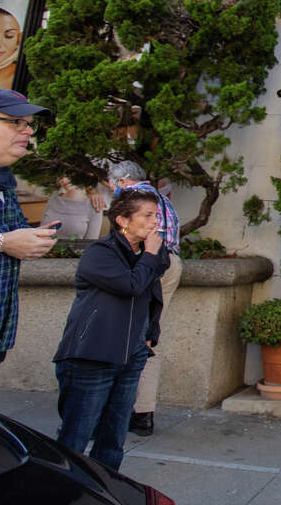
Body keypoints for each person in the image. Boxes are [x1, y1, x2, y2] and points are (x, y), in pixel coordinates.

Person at [53, 188, 168, 471]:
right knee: (75, 438)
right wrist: (150, 254)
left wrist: (150, 335)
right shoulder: (99, 253)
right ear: (122, 220)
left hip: (130, 357)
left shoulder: (147, 255)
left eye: (157, 215)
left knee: (113, 440)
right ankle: (62, 490)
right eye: (148, 215)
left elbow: (151, 294)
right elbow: (131, 285)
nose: (156, 222)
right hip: (92, 357)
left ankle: (104, 490)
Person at [0, 88, 58, 404]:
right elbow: (1, 241)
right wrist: (5, 242)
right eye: (15, 122)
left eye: (28, 124)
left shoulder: (0, 181)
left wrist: (31, 239)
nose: (27, 131)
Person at [106, 160, 181, 437]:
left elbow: (119, 233)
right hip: (170, 264)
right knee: (150, 337)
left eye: (114, 182)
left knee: (122, 335)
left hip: (144, 263)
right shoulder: (162, 199)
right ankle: (143, 414)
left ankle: (114, 408)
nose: (114, 188)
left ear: (123, 180)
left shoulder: (130, 196)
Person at [40, 176, 104, 242]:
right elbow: (41, 232)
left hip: (76, 251)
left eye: (68, 175)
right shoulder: (53, 199)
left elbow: (89, 244)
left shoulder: (94, 205)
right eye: (60, 177)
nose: (63, 181)